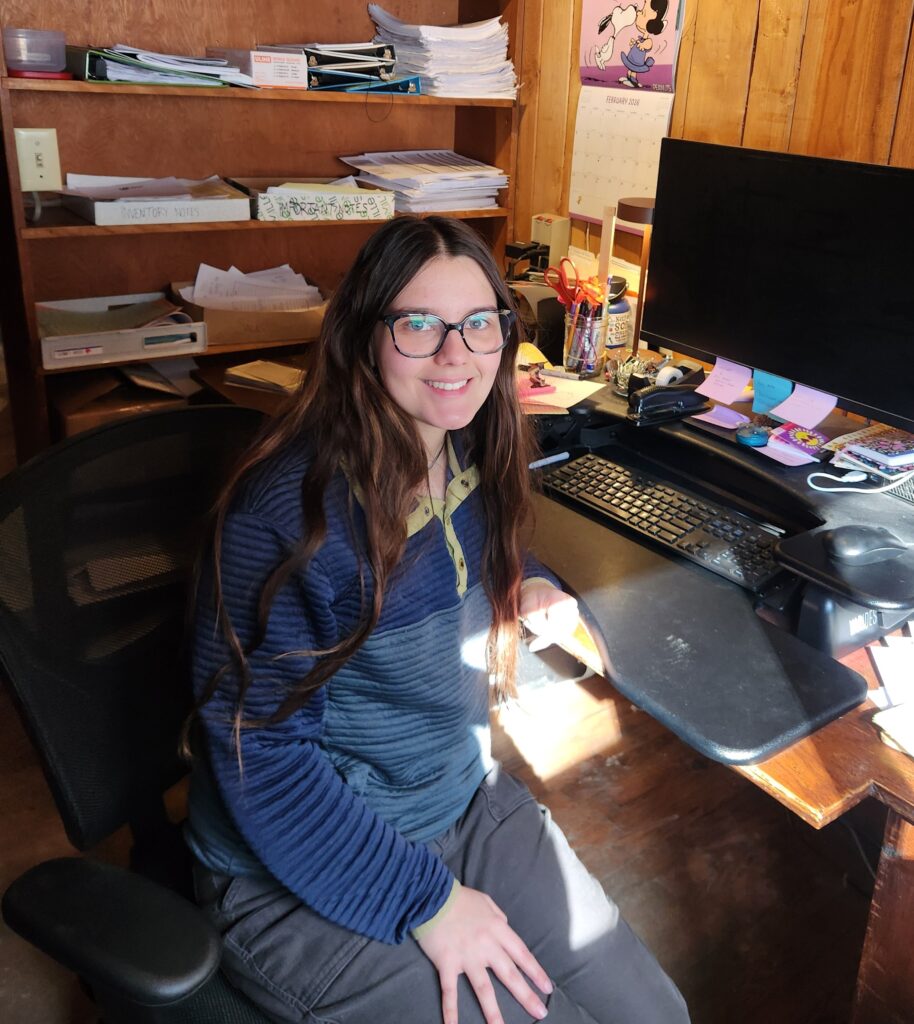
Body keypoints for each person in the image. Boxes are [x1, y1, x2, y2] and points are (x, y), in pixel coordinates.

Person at [186, 215, 690, 1024]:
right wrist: (428, 901)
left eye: (479, 322)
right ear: (364, 335)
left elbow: (474, 549)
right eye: (420, 324)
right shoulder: (284, 517)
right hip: (297, 863)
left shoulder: (464, 447)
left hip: (454, 798)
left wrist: (525, 580)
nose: (457, 354)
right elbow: (261, 759)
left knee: (657, 1016)